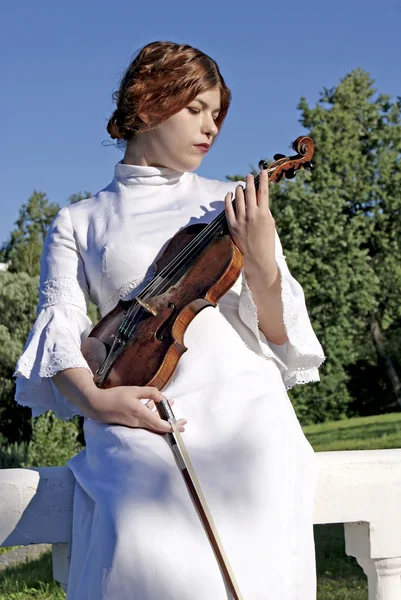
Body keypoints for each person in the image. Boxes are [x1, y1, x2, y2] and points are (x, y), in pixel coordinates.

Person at [14, 40, 325, 599]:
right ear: (149, 103)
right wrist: (97, 401)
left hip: (250, 427)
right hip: (144, 425)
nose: (211, 127)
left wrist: (260, 255)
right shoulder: (79, 221)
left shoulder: (231, 202)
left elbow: (280, 336)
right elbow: (59, 327)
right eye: (195, 109)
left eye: (216, 113)